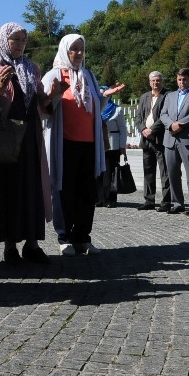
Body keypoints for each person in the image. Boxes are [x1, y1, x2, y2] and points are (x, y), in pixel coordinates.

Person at [0, 23, 58, 264]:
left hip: (28, 138)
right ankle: (10, 245)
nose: (20, 44)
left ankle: (32, 244)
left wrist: (51, 95)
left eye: (24, 40)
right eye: (15, 39)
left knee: (31, 188)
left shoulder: (30, 67)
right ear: (4, 40)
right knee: (8, 190)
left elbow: (37, 102)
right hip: (2, 138)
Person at [41, 34, 124, 256]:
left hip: (89, 143)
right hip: (64, 143)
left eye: (81, 49)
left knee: (87, 193)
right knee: (64, 190)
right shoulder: (54, 75)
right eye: (74, 49)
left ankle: (82, 237)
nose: (78, 53)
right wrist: (53, 95)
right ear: (65, 50)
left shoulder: (88, 76)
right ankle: (64, 237)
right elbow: (42, 107)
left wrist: (105, 95)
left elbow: (94, 103)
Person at [160, 68, 189, 216]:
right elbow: (163, 114)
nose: (182, 82)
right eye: (179, 79)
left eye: (185, 79)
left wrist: (179, 125)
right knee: (172, 173)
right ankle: (177, 203)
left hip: (188, 139)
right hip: (170, 139)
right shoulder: (170, 95)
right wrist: (171, 125)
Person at [134, 71, 171, 212]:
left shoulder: (167, 96)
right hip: (146, 139)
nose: (156, 83)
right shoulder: (144, 97)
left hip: (160, 139)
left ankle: (166, 201)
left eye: (158, 80)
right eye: (153, 81)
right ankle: (149, 200)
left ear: (162, 82)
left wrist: (152, 130)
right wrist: (143, 129)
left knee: (164, 172)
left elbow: (165, 116)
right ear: (150, 82)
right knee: (148, 171)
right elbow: (138, 117)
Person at [99, 93, 127, 208]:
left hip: (112, 146)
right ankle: (99, 199)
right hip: (98, 145)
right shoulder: (96, 109)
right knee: (98, 174)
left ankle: (110, 199)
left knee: (110, 174)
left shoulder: (117, 110)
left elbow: (123, 129)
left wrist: (122, 146)